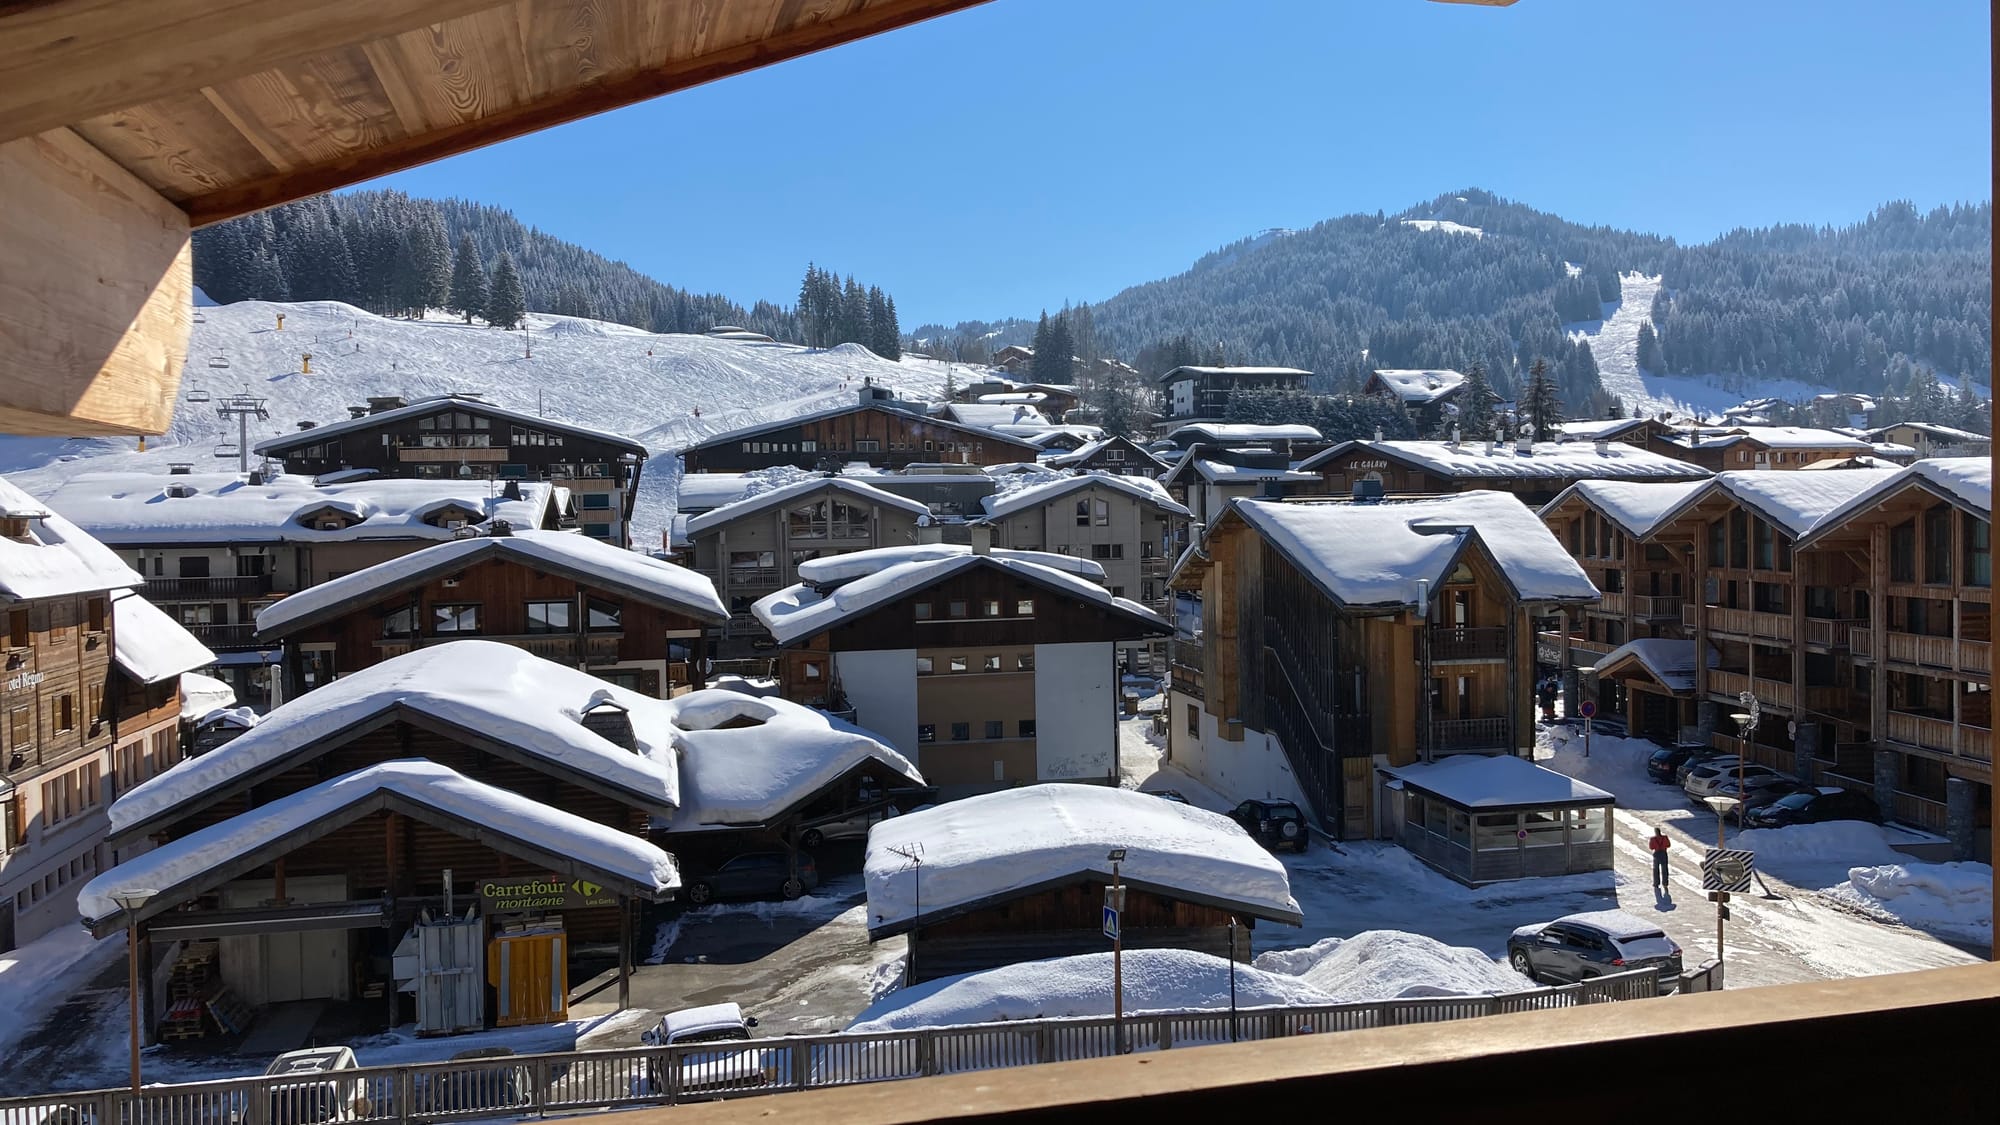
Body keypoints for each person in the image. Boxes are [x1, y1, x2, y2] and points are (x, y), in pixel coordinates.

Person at [1649, 826, 1672, 891]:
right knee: (1664, 869)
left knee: (1656, 869)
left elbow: (1651, 847)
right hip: (1664, 853)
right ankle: (1665, 883)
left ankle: (1656, 883)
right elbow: (1668, 845)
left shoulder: (1653, 839)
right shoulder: (1665, 838)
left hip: (1656, 854)